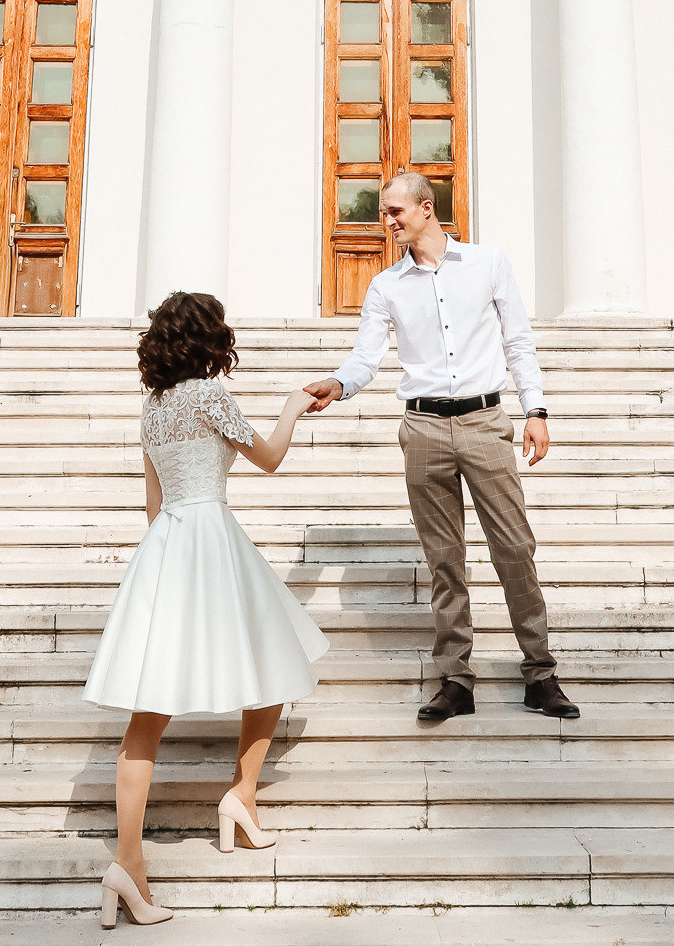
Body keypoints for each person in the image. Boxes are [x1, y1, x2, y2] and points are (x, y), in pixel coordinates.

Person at [81, 291, 326, 928]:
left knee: (147, 712)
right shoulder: (213, 396)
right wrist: (292, 408)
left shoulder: (153, 407)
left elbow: (152, 503)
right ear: (209, 339)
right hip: (213, 536)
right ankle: (241, 794)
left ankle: (129, 862)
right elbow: (269, 459)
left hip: (167, 543)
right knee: (273, 657)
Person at [302, 171, 578, 724]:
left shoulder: (488, 264)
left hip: (484, 420)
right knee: (444, 560)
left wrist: (536, 410)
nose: (388, 220)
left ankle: (540, 674)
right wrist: (339, 383)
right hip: (424, 428)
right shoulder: (386, 286)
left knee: (514, 549)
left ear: (427, 208)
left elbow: (518, 340)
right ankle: (456, 679)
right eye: (385, 211)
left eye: (395, 211)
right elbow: (365, 357)